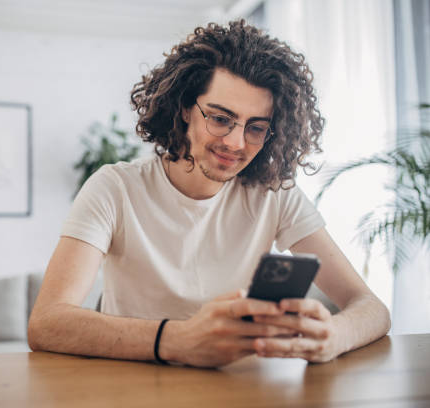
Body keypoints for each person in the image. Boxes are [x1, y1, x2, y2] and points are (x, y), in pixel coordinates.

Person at [28, 20, 390, 368]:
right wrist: (178, 341)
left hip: (237, 388)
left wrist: (334, 335)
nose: (236, 143)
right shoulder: (114, 188)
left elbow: (371, 308)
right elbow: (46, 322)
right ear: (185, 108)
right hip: (132, 384)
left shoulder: (274, 194)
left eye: (256, 128)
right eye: (220, 119)